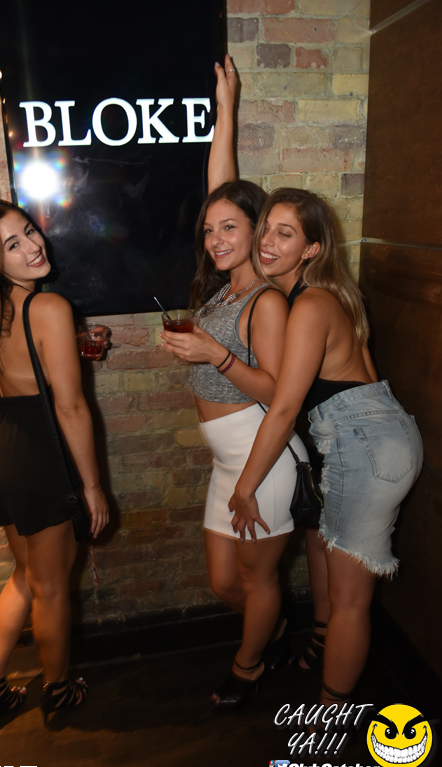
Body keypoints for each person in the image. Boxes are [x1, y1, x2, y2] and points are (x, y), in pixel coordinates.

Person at [229, 187, 423, 713]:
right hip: (375, 438)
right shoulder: (324, 294)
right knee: (337, 582)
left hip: (367, 449)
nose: (266, 242)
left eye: (285, 234)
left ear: (311, 249)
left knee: (350, 601)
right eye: (266, 229)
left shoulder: (311, 303)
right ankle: (324, 662)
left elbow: (285, 409)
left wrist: (245, 488)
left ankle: (328, 720)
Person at [161, 56, 309, 708]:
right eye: (209, 229)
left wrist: (214, 354)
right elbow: (221, 188)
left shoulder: (267, 300)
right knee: (225, 582)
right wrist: (225, 109)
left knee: (256, 577)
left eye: (231, 227)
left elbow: (279, 393)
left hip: (263, 458)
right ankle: (269, 630)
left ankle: (249, 668)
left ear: (256, 230)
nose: (216, 238)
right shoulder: (225, 287)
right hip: (228, 462)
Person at [0, 198, 109, 726]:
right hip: (39, 450)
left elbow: (9, 374)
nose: (33, 245)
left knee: (24, 574)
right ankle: (58, 691)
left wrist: (65, 347)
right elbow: (70, 407)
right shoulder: (47, 308)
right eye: (13, 244)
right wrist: (93, 486)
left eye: (29, 231)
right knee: (51, 586)